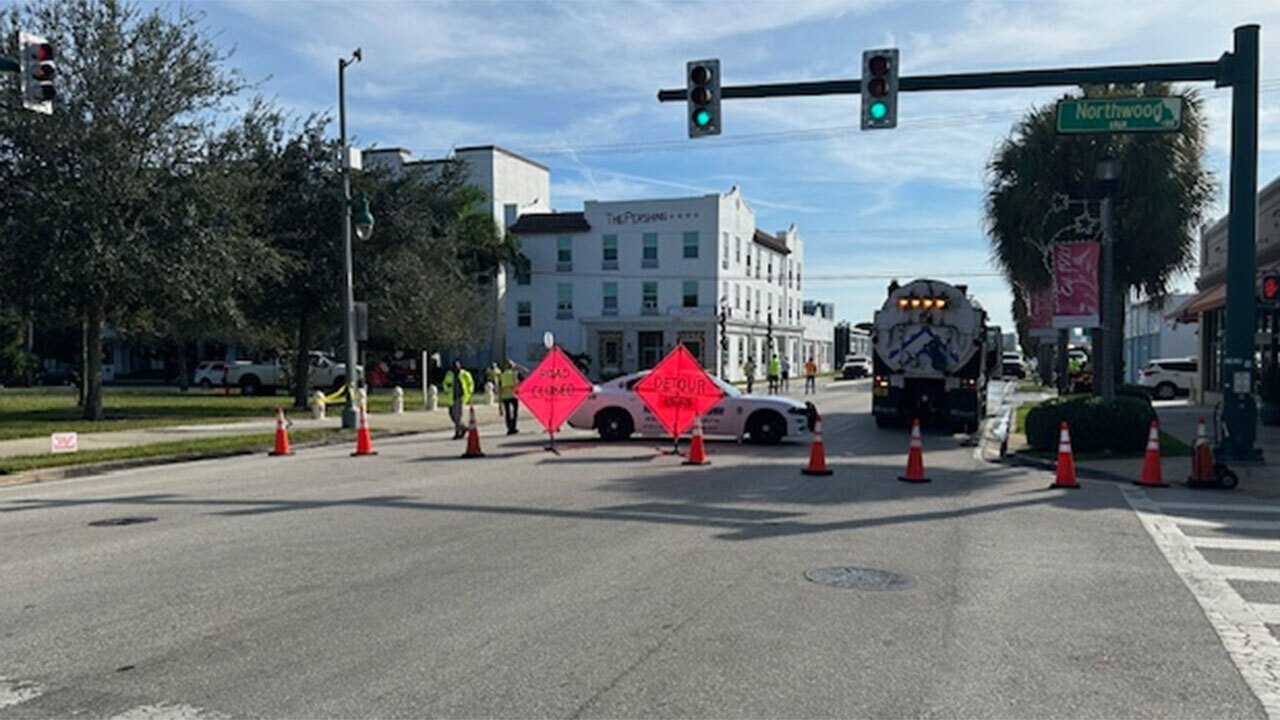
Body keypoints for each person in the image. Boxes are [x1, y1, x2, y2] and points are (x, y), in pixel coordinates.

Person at [441, 360, 474, 439]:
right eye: (454, 366)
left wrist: (469, 393)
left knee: (457, 416)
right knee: (451, 415)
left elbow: (470, 383)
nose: (456, 367)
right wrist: (446, 389)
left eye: (457, 365)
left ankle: (457, 433)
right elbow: (445, 383)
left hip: (460, 397)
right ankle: (463, 427)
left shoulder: (465, 374)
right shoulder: (449, 374)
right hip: (451, 397)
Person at [499, 359, 526, 435]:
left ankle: (509, 427)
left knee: (507, 413)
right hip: (513, 395)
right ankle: (513, 427)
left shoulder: (502, 374)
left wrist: (500, 399)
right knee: (514, 412)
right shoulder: (514, 374)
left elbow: (500, 386)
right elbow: (516, 383)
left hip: (505, 395)